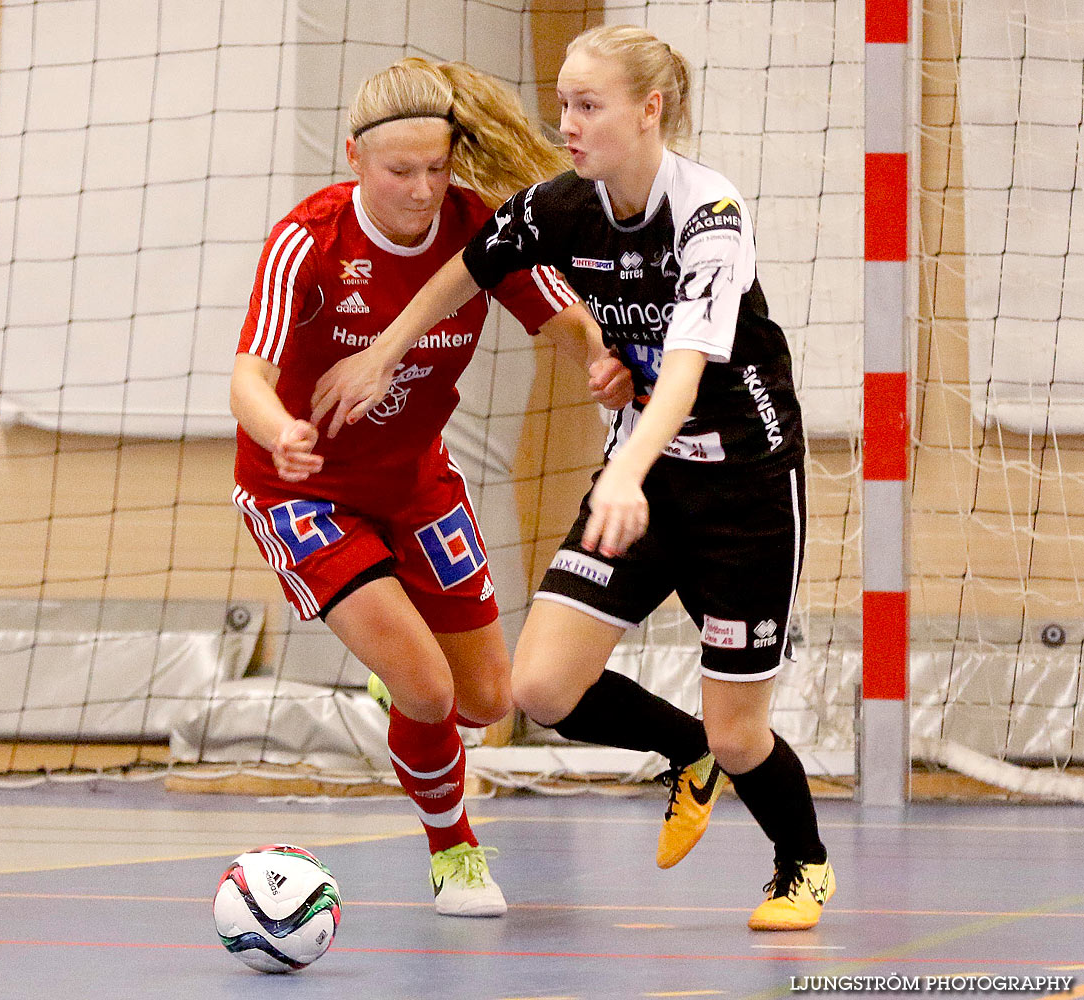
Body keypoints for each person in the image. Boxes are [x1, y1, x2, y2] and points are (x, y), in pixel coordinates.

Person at [310, 26, 833, 932]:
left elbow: (683, 370)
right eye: (563, 105)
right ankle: (685, 756)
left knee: (741, 733)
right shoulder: (561, 204)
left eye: (588, 106)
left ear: (649, 110)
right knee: (541, 690)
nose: (569, 124)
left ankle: (802, 865)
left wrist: (625, 467)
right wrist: (384, 354)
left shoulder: (710, 213)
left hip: (743, 488)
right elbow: (464, 274)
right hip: (645, 478)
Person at [230, 56, 631, 918]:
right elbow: (247, 379)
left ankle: (402, 682)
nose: (420, 190)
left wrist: (603, 361)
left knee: (488, 700)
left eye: (436, 169)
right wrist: (284, 433)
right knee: (429, 691)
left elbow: (562, 316)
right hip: (302, 489)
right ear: (354, 159)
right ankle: (455, 856)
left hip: (415, 482)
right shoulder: (311, 240)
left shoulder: (475, 228)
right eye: (398, 172)